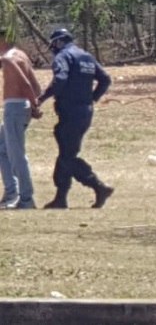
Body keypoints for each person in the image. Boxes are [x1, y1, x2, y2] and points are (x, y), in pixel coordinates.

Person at [37, 29, 114, 209]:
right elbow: (105, 79)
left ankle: (98, 186)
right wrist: (92, 98)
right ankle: (60, 198)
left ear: (59, 42)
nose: (53, 48)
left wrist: (41, 98)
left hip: (70, 112)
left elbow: (60, 80)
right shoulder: (86, 56)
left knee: (68, 157)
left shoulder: (64, 57)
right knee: (66, 154)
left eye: (54, 44)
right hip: (85, 111)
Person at [0, 29, 42, 209]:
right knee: (2, 149)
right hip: (21, 107)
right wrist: (33, 103)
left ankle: (26, 199)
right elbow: (36, 85)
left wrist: (34, 105)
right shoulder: (22, 55)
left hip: (14, 108)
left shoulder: (7, 59)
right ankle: (12, 193)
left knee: (17, 155)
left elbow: (25, 83)